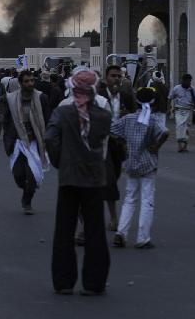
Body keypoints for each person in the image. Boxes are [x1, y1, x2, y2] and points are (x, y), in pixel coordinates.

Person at [45, 68, 112, 296]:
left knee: (65, 230)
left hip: (69, 177)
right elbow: (105, 142)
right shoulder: (103, 113)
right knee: (95, 230)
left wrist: (60, 162)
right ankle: (94, 283)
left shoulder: (62, 111)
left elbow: (50, 139)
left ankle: (64, 282)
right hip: (94, 177)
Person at [112, 87, 169, 249]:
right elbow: (165, 133)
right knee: (147, 200)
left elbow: (113, 130)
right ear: (153, 103)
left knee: (130, 199)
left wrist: (123, 144)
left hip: (131, 163)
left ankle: (121, 233)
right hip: (148, 163)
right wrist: (156, 146)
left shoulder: (128, 118)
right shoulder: (152, 120)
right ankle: (143, 238)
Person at [3, 70, 50, 214]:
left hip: (35, 142)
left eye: (32, 81)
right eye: (26, 81)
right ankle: (26, 190)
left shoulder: (42, 98)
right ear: (20, 83)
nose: (30, 84)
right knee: (18, 175)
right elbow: (7, 121)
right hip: (18, 142)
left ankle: (27, 200)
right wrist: (8, 139)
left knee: (33, 175)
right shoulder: (11, 99)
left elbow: (48, 120)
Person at [97, 64, 136, 231]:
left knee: (114, 176)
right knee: (110, 179)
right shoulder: (98, 96)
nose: (116, 79)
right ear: (106, 78)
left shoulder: (126, 96)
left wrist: (129, 117)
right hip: (102, 142)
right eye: (113, 76)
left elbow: (135, 117)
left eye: (119, 76)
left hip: (119, 144)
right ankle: (114, 217)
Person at [169, 73, 195, 152]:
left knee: (187, 128)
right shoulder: (176, 88)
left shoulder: (192, 89)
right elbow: (170, 98)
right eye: (187, 81)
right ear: (182, 81)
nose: (189, 83)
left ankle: (185, 146)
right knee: (179, 127)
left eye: (190, 81)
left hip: (189, 110)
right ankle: (179, 146)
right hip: (179, 110)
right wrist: (169, 108)